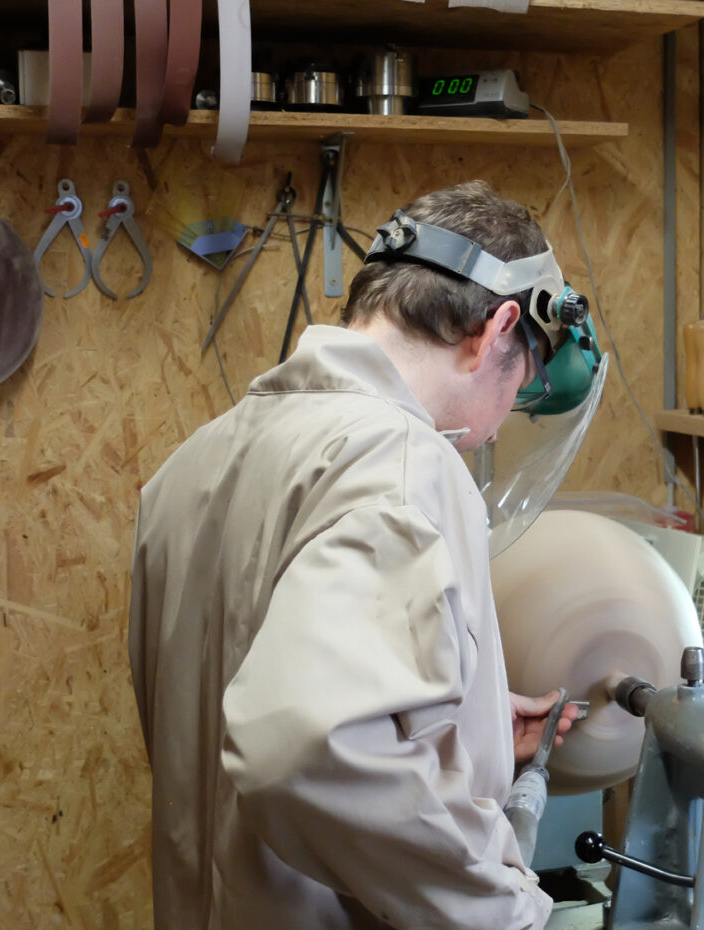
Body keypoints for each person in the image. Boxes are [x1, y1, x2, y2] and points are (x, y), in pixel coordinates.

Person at [129, 180, 597, 929]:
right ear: (498, 327)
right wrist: (503, 913)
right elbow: (302, 751)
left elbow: (247, 688)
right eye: (526, 377)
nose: (510, 413)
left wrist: (460, 722)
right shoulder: (407, 464)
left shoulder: (198, 461)